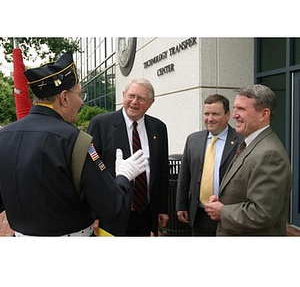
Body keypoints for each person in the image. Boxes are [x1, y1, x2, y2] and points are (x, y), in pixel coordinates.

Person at [0, 51, 147, 237]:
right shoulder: (76, 141)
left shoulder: (3, 137)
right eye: (79, 94)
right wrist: (124, 176)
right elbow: (112, 207)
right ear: (64, 97)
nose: (82, 102)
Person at [205, 84, 292, 236]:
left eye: (242, 109)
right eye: (235, 108)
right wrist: (225, 199)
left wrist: (222, 211)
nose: (234, 115)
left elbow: (262, 213)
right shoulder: (250, 144)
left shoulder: (269, 153)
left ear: (264, 114)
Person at [88, 78, 169, 236]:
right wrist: (94, 215)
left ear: (151, 102)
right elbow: (91, 171)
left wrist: (162, 209)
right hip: (111, 213)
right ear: (123, 95)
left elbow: (162, 171)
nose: (134, 102)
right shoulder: (100, 124)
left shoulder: (158, 128)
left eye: (141, 98)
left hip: (145, 213)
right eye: (131, 96)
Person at [176, 94, 243, 236]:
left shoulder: (241, 141)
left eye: (215, 114)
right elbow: (185, 175)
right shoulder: (193, 140)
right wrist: (181, 205)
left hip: (228, 214)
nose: (210, 118)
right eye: (206, 113)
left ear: (228, 115)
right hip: (199, 213)